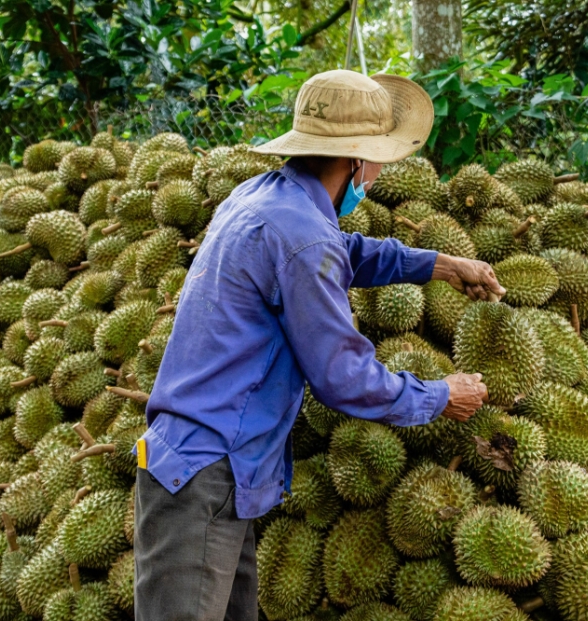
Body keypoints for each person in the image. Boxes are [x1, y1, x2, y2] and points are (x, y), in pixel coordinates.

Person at [133, 69, 503, 621]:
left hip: (213, 468)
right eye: (378, 160)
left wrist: (440, 264)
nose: (378, 173)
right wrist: (440, 396)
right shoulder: (302, 236)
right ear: (355, 160)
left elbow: (338, 250)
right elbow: (344, 377)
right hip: (204, 475)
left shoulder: (261, 197)